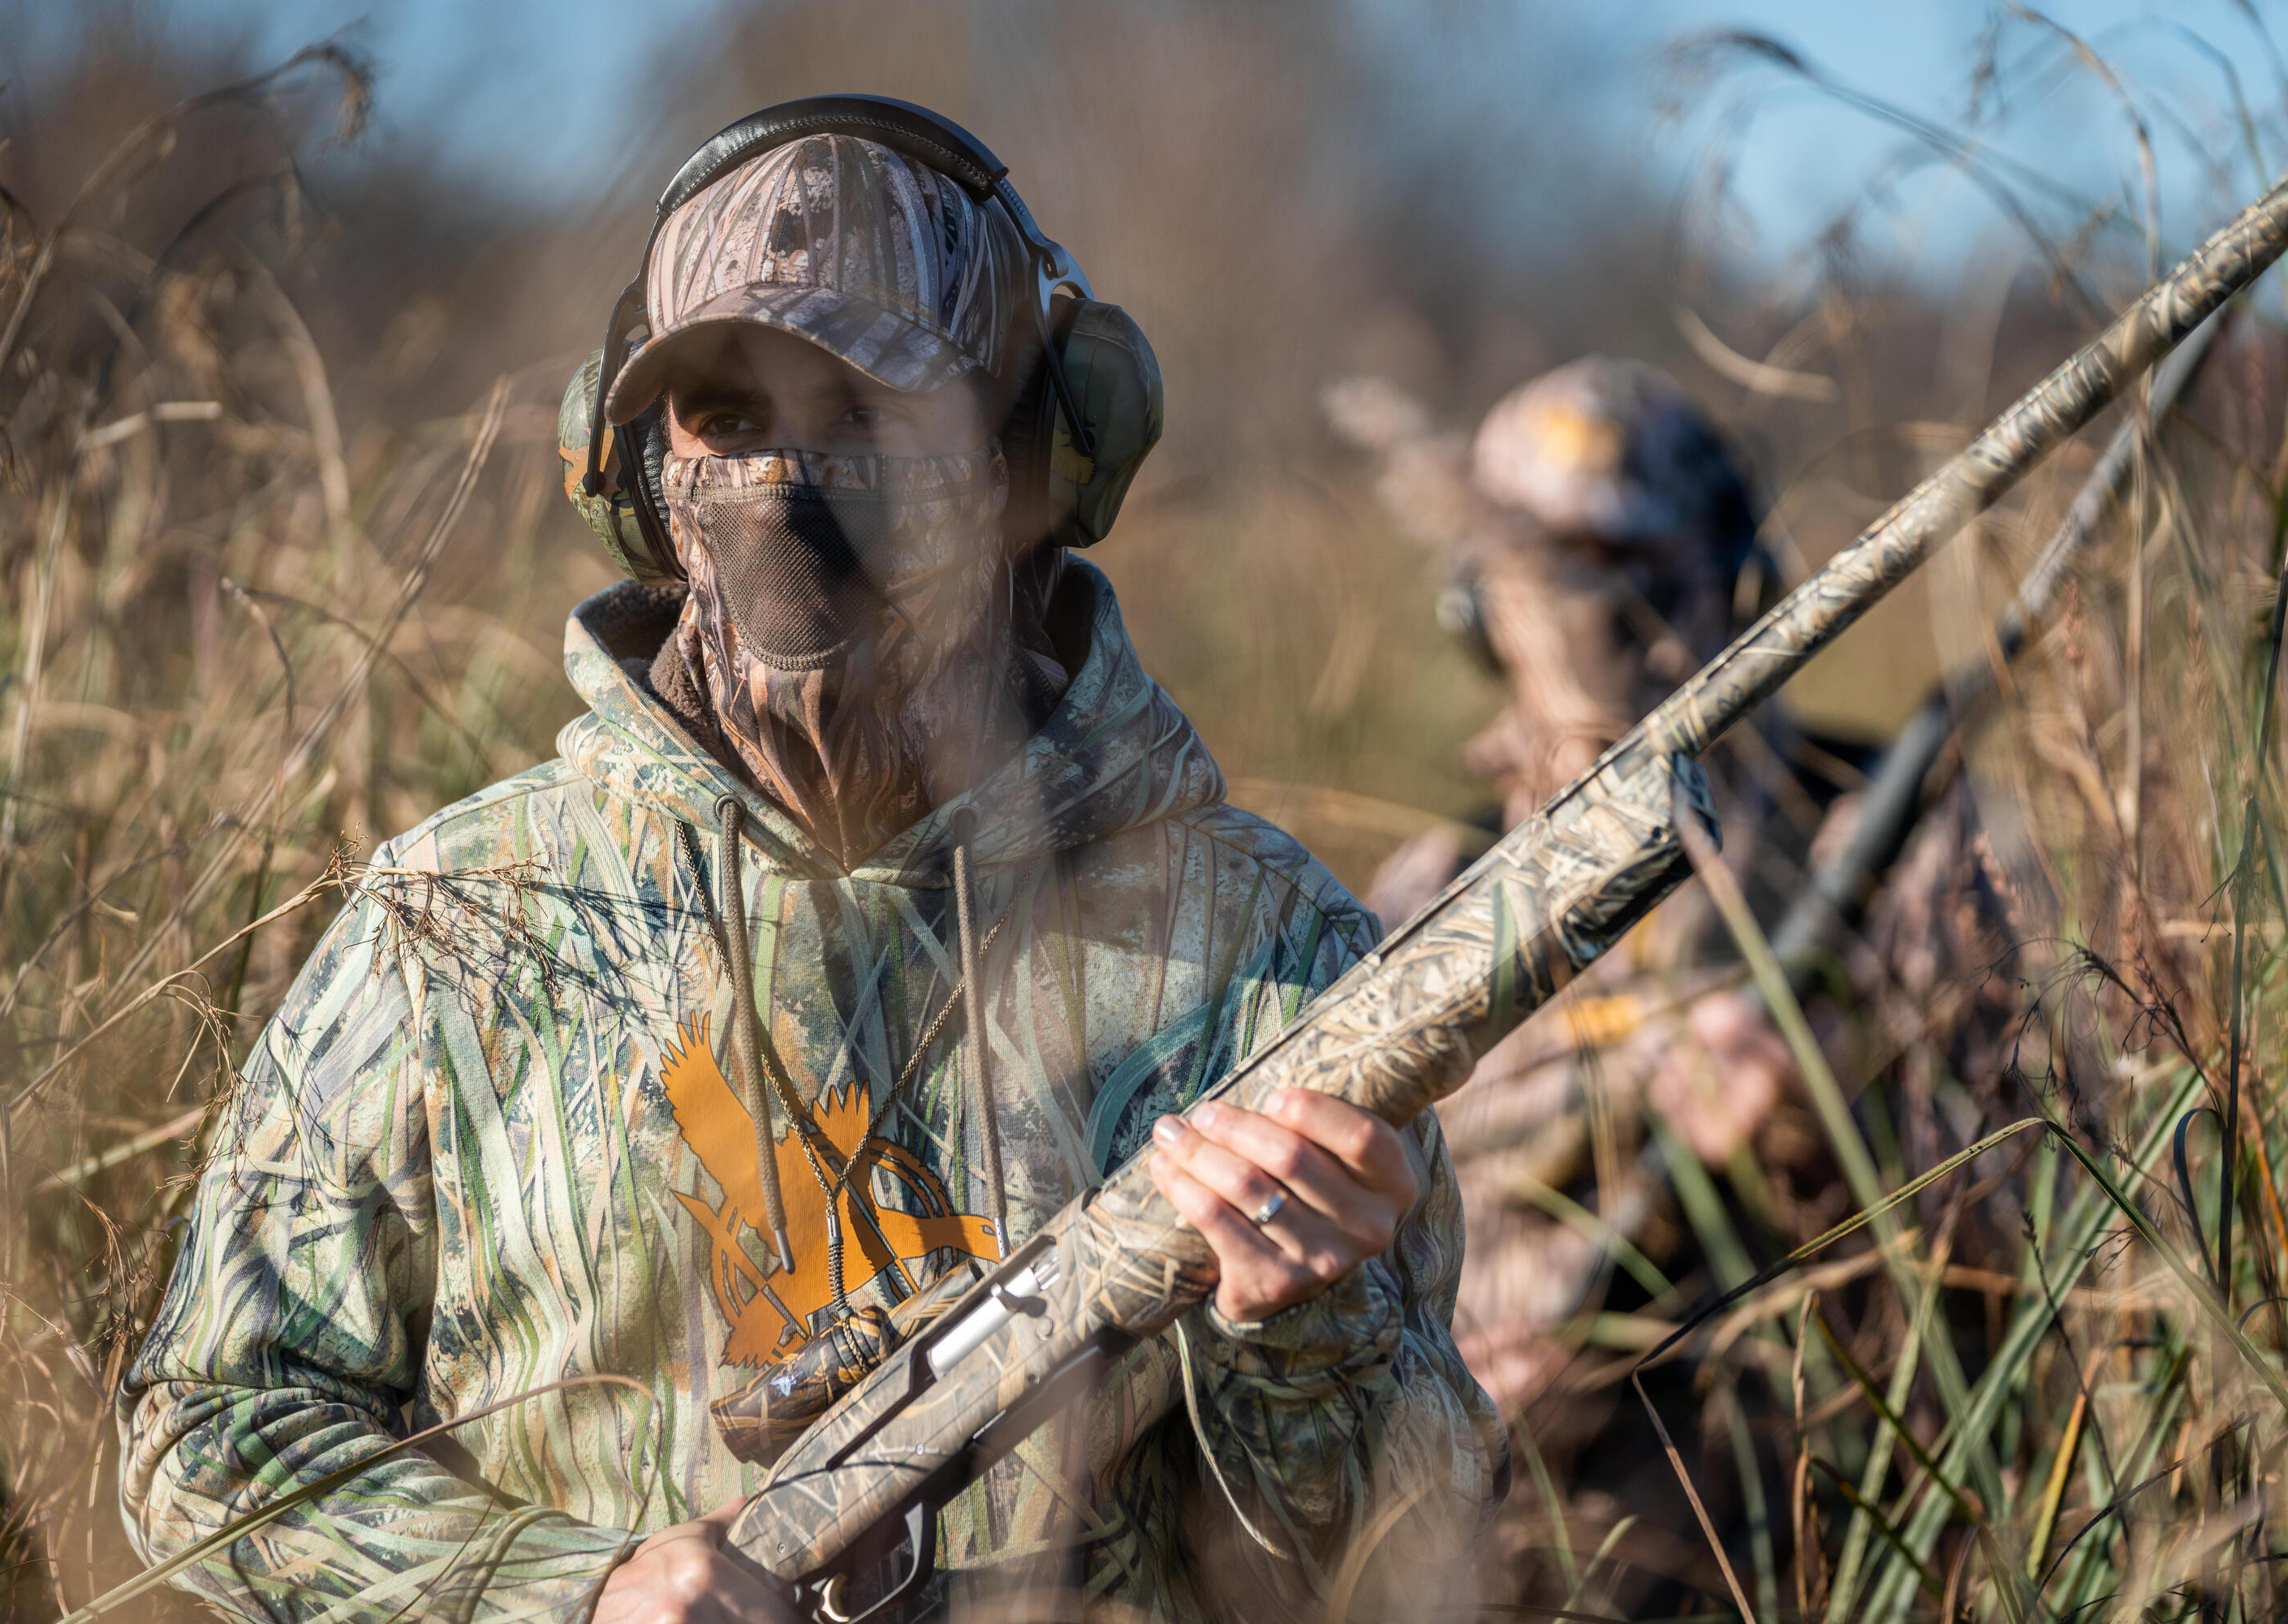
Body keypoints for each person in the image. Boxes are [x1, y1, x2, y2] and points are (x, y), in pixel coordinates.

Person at [119, 102, 1502, 1624]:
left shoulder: (1264, 951)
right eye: (728, 417)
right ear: (636, 473)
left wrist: (1312, 1332)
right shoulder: (461, 925)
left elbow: (1417, 1564)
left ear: (1028, 459)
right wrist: (575, 1594)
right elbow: (210, 1429)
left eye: (869, 418)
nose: (791, 483)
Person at [1330, 357, 2019, 1408]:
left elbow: (2039, 1242)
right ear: (1474, 603)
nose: (1601, 612)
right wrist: (1438, 1389)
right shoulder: (1428, 889)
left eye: (1634, 559)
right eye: (1549, 563)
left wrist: (1827, 1138)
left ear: (1739, 575)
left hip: (1798, 1462)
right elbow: (1345, 1262)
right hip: (1495, 1500)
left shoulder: (1889, 837)